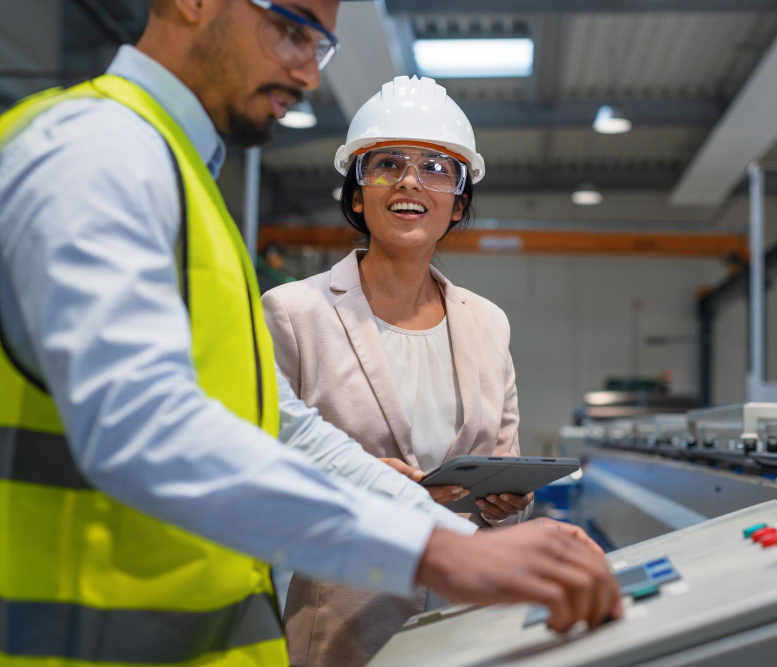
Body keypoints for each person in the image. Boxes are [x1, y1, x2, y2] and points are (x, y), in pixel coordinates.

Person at [0, 1, 621, 664]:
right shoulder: (99, 153)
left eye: (318, 43)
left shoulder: (182, 180)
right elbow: (143, 421)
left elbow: (281, 426)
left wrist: (464, 540)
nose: (307, 73)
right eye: (292, 27)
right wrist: (439, 550)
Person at [262, 75, 536, 664]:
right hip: (345, 628)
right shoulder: (295, 313)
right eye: (386, 164)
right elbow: (256, 469)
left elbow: (505, 462)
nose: (410, 181)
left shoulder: (488, 323)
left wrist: (507, 499)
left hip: (472, 619)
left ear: (458, 202)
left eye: (437, 167)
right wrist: (356, 484)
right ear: (357, 194)